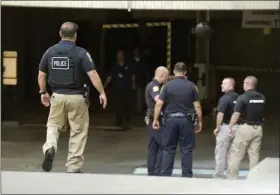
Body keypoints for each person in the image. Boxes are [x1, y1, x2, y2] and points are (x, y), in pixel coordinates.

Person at [38, 22, 107, 173]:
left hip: (57, 96)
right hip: (77, 97)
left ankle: (50, 147)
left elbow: (41, 74)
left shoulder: (50, 52)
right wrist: (102, 92)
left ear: (60, 33)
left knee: (53, 125)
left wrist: (43, 92)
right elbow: (93, 74)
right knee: (78, 130)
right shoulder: (81, 53)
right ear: (75, 35)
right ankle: (73, 166)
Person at [153, 62, 203, 177]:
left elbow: (159, 104)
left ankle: (165, 175)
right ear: (185, 72)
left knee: (168, 149)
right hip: (186, 121)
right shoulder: (192, 86)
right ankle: (186, 176)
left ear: (174, 72)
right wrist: (199, 122)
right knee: (186, 149)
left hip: (170, 121)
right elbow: (197, 106)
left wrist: (156, 119)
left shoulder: (167, 86)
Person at [227, 76, 265, 179]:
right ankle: (254, 178)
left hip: (245, 129)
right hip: (258, 129)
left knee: (236, 154)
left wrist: (230, 126)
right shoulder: (261, 97)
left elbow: (236, 114)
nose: (243, 85)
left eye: (244, 83)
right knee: (254, 156)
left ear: (247, 83)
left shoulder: (243, 97)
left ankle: (232, 178)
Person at [145, 66, 169, 176]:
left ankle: (152, 171)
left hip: (152, 119)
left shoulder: (156, 86)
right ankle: (157, 171)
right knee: (162, 145)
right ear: (161, 75)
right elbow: (158, 100)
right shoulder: (154, 86)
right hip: (155, 120)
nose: (167, 79)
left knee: (153, 146)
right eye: (166, 76)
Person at [213, 77, 239, 179]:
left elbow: (220, 114)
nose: (221, 85)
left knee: (220, 152)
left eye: (224, 84)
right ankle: (232, 175)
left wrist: (217, 128)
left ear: (231, 86)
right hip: (237, 128)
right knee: (233, 154)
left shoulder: (224, 98)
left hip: (225, 127)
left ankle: (219, 175)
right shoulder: (239, 97)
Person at [104, 49, 136, 129]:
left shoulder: (128, 65)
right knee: (118, 105)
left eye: (122, 54)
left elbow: (132, 75)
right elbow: (110, 76)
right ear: (117, 56)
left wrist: (133, 85)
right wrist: (104, 85)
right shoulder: (114, 65)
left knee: (127, 105)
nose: (121, 56)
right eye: (119, 54)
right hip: (117, 88)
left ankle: (127, 121)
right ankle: (119, 121)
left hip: (127, 88)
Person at [131, 47, 149, 113]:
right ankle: (133, 109)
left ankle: (138, 110)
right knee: (133, 96)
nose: (137, 52)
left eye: (138, 51)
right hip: (132, 82)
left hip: (141, 81)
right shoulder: (131, 61)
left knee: (140, 96)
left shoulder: (143, 61)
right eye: (135, 51)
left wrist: (147, 81)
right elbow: (132, 72)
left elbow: (146, 71)